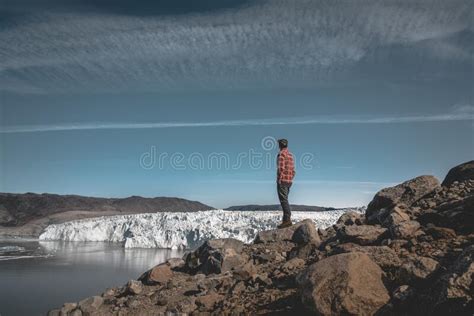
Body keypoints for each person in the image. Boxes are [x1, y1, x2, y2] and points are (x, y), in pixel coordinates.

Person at [276, 138, 295, 228]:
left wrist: (279, 180)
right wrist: (291, 178)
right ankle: (285, 221)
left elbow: (281, 168)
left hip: (283, 180)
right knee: (285, 199)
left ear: (280, 145)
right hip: (289, 181)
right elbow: (293, 170)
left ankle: (287, 220)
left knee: (283, 200)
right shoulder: (291, 155)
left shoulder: (281, 154)